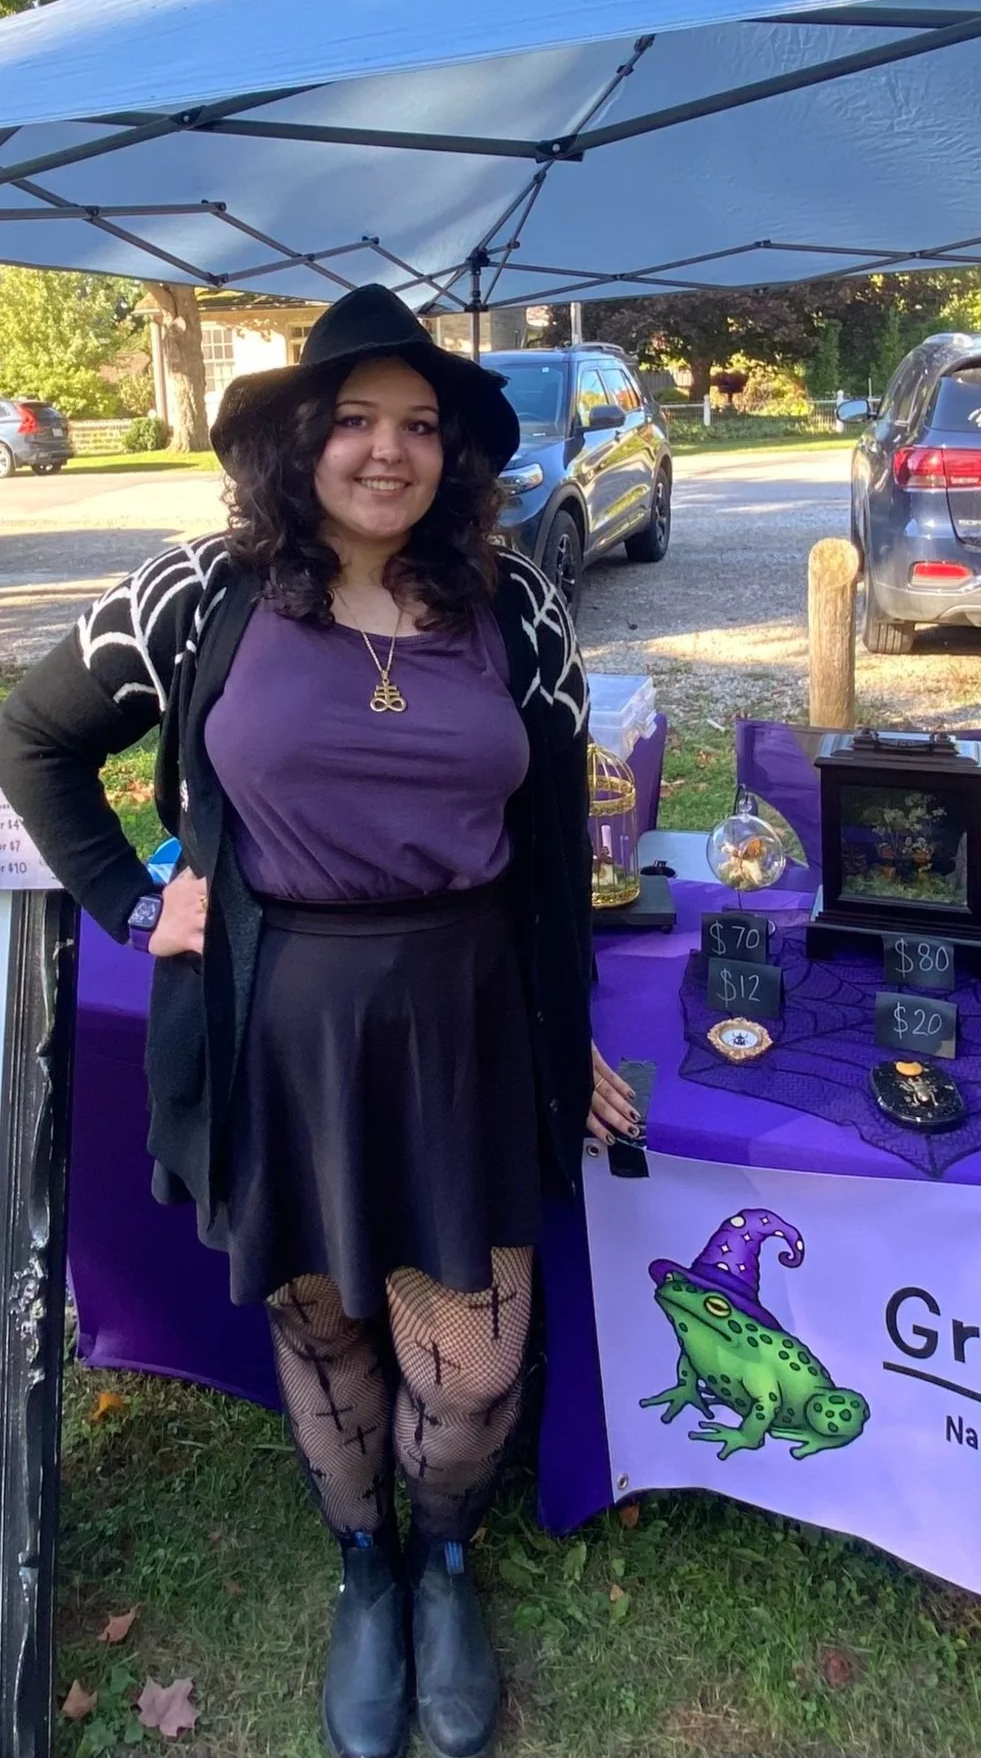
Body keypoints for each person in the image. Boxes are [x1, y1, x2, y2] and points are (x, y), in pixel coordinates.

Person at [0, 285, 641, 1758]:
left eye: (419, 424)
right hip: (276, 1023)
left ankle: (445, 1560)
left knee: (472, 1363)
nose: (386, 450)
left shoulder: (517, 605)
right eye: (353, 418)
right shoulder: (202, 591)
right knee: (325, 1321)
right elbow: (33, 735)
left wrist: (570, 1026)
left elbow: (554, 846)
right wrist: (132, 900)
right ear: (299, 441)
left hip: (466, 1015)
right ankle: (367, 1569)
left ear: (455, 455)